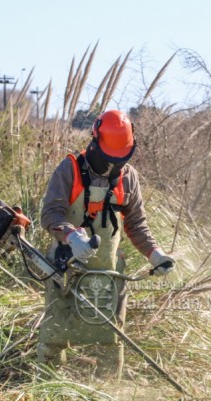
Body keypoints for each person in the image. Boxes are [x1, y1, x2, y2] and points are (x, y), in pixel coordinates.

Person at [38, 109, 175, 374]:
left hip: (108, 272)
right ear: (94, 140)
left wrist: (155, 254)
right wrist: (70, 235)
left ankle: (109, 387)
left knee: (110, 337)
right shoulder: (70, 168)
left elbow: (135, 224)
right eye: (108, 158)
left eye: (120, 158)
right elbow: (50, 214)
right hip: (65, 267)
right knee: (55, 334)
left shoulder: (129, 177)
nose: (114, 165)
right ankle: (49, 385)